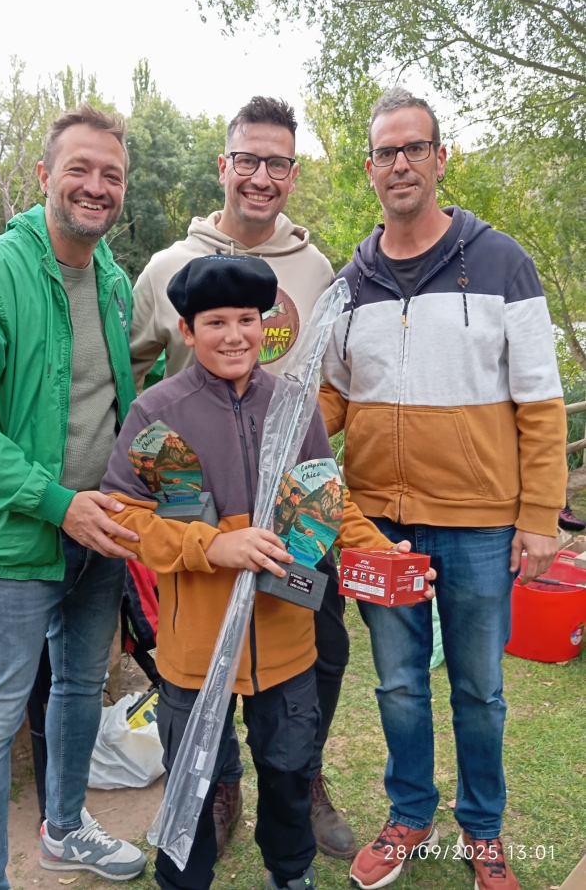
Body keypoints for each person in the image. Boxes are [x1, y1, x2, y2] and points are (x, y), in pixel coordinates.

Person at [320, 87, 567, 890]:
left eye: (414, 148)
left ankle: (484, 827)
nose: (400, 163)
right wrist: (249, 429)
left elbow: (540, 401)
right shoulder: (348, 280)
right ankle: (409, 814)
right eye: (386, 152)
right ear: (369, 168)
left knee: (481, 688)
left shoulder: (502, 261)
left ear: (440, 158)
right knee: (395, 683)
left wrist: (537, 518)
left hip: (479, 524)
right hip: (378, 525)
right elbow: (329, 396)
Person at [100, 254, 402, 890]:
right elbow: (130, 521)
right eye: (215, 322)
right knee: (194, 778)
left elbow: (327, 500)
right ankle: (186, 880)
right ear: (186, 330)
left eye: (246, 319)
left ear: (265, 325)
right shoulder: (160, 414)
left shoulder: (295, 407)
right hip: (196, 648)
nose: (233, 335)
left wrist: (377, 551)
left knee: (290, 770)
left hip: (286, 639)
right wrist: (215, 546)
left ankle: (290, 873)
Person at [0, 105, 147, 889]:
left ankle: (66, 827)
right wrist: (57, 503)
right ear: (45, 176)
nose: (95, 185)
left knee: (81, 687)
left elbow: (111, 403)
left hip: (99, 536)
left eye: (110, 174)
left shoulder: (113, 279)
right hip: (11, 541)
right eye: (79, 169)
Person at [130, 95, 366, 861]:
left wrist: (335, 512)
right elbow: (128, 376)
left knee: (314, 654)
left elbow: (324, 381)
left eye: (278, 163)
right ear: (224, 166)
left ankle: (300, 779)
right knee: (201, 675)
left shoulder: (314, 263)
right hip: (197, 506)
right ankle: (217, 781)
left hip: (299, 514)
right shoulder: (168, 268)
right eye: (248, 160)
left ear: (292, 173)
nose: (262, 176)